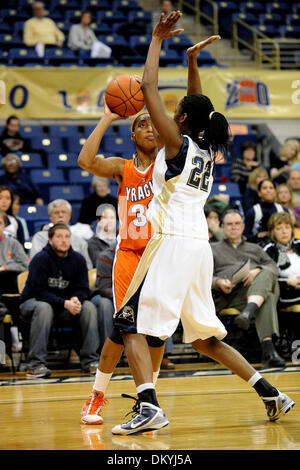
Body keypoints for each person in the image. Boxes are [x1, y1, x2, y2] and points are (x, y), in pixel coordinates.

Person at [110, 12, 294, 435]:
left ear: (182, 121)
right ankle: (270, 392)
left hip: (170, 243)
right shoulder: (207, 148)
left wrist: (157, 40)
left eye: (176, 112)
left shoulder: (175, 143)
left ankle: (149, 405)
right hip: (198, 249)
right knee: (203, 339)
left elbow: (149, 88)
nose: (170, 114)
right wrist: (192, 62)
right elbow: (199, 106)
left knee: (128, 323)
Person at [78, 106, 167, 425]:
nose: (150, 129)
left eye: (154, 125)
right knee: (123, 328)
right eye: (142, 125)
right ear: (132, 134)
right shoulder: (122, 167)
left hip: (161, 255)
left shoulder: (169, 162)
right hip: (130, 254)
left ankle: (148, 400)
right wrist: (106, 118)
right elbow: (85, 161)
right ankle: (97, 395)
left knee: (157, 334)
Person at [19, 224, 99, 378]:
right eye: (59, 237)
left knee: (88, 307)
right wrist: (64, 303)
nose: (64, 240)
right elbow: (39, 292)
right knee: (44, 308)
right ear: (50, 240)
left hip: (63, 307)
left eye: (67, 237)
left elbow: (83, 288)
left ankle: (91, 361)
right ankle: (36, 365)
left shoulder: (78, 260)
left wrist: (76, 299)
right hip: (32, 304)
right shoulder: (40, 259)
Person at [211, 209, 285, 368]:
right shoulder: (212, 248)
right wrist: (218, 282)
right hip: (231, 296)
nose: (233, 227)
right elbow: (202, 277)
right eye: (229, 224)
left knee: (266, 272)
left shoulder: (255, 248)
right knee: (268, 296)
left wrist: (256, 271)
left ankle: (249, 312)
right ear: (222, 227)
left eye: (237, 224)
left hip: (253, 291)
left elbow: (273, 267)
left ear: (243, 227)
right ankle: (268, 350)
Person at [264, 212, 300, 350]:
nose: (284, 231)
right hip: (284, 294)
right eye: (279, 228)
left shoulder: (299, 244)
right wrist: (288, 282)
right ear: (273, 232)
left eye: (287, 227)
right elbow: (268, 278)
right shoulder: (270, 250)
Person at [30, 199, 92, 269]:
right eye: (56, 213)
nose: (60, 215)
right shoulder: (40, 238)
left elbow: (88, 267)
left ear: (69, 216)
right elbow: (35, 263)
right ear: (50, 217)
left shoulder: (80, 242)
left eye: (63, 212)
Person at [244, 178, 287, 246]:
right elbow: (245, 236)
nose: (268, 190)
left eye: (271, 188)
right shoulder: (252, 212)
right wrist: (258, 236)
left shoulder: (283, 210)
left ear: (275, 192)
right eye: (264, 188)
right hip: (258, 247)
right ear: (259, 193)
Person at [0, 209, 29, 296]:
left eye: (0, 223)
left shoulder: (13, 243)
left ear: (4, 225)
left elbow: (25, 265)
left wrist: (6, 267)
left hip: (8, 281)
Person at [88, 203, 117, 268]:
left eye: (112, 218)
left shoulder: (120, 240)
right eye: (105, 218)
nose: (109, 221)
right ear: (98, 221)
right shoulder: (92, 242)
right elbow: (99, 262)